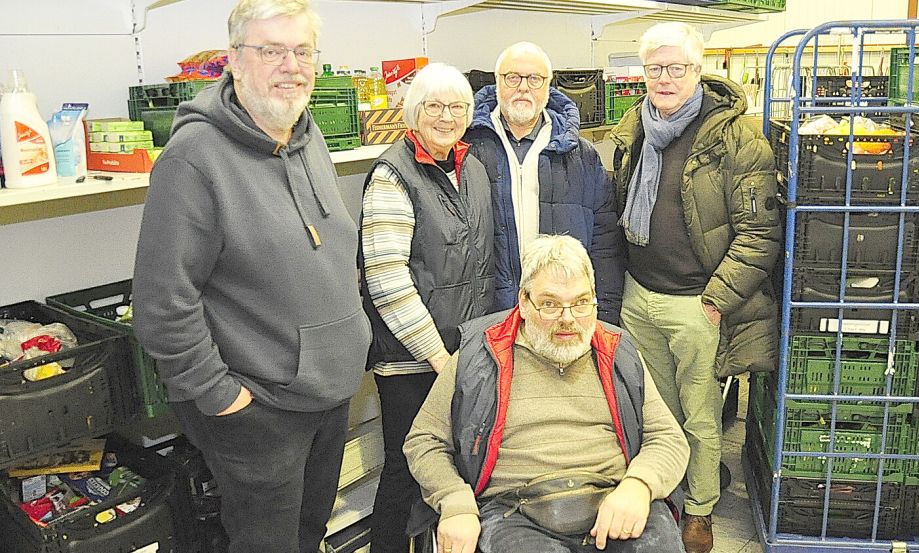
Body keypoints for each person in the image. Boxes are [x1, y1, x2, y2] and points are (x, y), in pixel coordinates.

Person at [132, 2, 371, 552]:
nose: (291, 65)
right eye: (271, 51)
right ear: (235, 61)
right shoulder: (194, 159)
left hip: (330, 395)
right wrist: (222, 397)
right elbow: (162, 302)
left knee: (310, 533)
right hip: (262, 410)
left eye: (302, 51)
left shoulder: (307, 137)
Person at [609, 22, 781, 553]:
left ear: (697, 70)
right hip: (640, 295)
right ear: (644, 74)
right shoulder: (633, 126)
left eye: (677, 68)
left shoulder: (735, 136)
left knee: (701, 418)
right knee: (654, 413)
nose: (665, 78)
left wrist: (716, 301)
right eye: (655, 68)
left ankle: (701, 508)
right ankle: (664, 493)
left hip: (697, 304)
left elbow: (759, 232)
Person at [404, 234, 690, 553]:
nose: (568, 318)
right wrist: (455, 502)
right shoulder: (478, 357)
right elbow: (425, 441)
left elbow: (667, 437)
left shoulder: (618, 353)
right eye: (551, 304)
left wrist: (639, 486)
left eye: (581, 302)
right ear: (524, 302)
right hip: (515, 513)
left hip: (615, 498)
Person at [360, 62, 495, 553]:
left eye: (456, 107)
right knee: (407, 471)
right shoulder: (393, 176)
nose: (446, 116)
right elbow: (387, 280)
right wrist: (439, 358)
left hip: (463, 353)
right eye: (434, 106)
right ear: (414, 113)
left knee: (455, 472)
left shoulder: (471, 168)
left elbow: (484, 263)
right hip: (412, 363)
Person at [465, 42, 625, 324]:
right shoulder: (469, 150)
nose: (523, 87)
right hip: (493, 314)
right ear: (497, 82)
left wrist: (604, 317)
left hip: (562, 316)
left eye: (534, 79)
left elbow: (605, 243)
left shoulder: (582, 156)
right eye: (512, 77)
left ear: (548, 87)